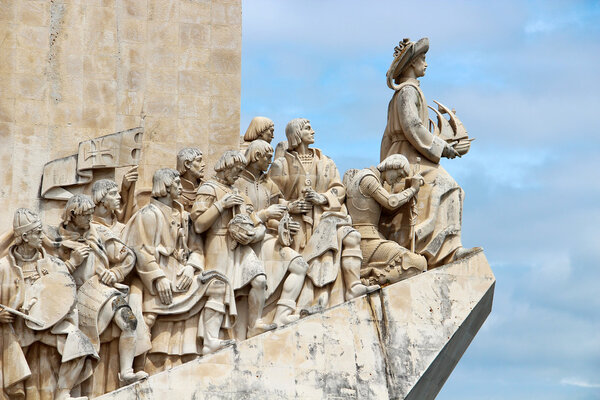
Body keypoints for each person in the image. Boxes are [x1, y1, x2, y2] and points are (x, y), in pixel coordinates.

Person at [380, 37, 479, 268]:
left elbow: (389, 135)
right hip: (408, 156)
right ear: (412, 63)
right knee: (450, 187)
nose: (426, 64)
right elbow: (413, 127)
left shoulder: (406, 92)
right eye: (422, 59)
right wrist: (441, 147)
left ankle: (442, 248)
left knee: (450, 188)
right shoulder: (407, 92)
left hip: (406, 153)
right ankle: (445, 252)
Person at [124, 168, 234, 374]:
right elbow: (140, 250)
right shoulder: (149, 214)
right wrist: (158, 278)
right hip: (158, 279)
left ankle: (210, 341)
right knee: (147, 319)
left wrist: (191, 267)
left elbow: (196, 248)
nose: (180, 187)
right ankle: (134, 367)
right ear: (165, 187)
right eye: (175, 183)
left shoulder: (183, 215)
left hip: (181, 276)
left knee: (218, 284)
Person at [269, 119, 378, 312]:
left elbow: (338, 188)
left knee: (351, 236)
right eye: (307, 128)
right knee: (306, 261)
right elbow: (269, 198)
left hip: (325, 218)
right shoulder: (280, 165)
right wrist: (290, 206)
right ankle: (307, 303)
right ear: (296, 133)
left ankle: (353, 286)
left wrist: (322, 197)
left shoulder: (326, 162)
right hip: (297, 224)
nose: (313, 131)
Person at [46, 195, 148, 387]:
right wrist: (72, 263)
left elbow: (128, 256)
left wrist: (115, 273)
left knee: (129, 321)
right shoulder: (57, 240)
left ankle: (126, 372)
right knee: (78, 345)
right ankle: (65, 391)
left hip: (103, 291)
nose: (90, 219)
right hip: (75, 300)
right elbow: (48, 276)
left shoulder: (98, 232)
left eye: (92, 214)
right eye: (86, 215)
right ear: (73, 215)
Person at [0, 208, 97, 400]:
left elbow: (65, 292)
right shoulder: (3, 267)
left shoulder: (53, 263)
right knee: (10, 378)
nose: (41, 236)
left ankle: (63, 393)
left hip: (47, 327)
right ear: (25, 236)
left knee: (80, 343)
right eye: (37, 232)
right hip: (17, 330)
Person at [191, 151, 276, 339]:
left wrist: (253, 236)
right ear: (226, 167)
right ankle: (211, 338)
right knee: (219, 289)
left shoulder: (239, 194)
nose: (239, 175)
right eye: (236, 171)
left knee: (260, 280)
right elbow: (199, 225)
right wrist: (222, 204)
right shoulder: (208, 189)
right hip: (217, 244)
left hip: (241, 246)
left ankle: (254, 325)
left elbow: (257, 223)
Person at [235, 140, 309, 326]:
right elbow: (238, 219)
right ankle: (255, 322)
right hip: (244, 241)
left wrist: (285, 222)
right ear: (257, 156)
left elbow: (279, 208)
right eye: (268, 157)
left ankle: (281, 315)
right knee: (259, 281)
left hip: (267, 238)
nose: (271, 161)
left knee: (299, 265)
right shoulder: (237, 182)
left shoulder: (268, 183)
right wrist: (266, 214)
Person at [344, 155, 427, 286]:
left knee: (416, 262)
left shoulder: (374, 179)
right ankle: (370, 282)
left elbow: (388, 208)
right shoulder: (368, 179)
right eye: (399, 175)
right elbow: (391, 202)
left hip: (371, 238)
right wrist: (412, 190)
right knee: (417, 263)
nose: (397, 180)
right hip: (366, 240)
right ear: (392, 165)